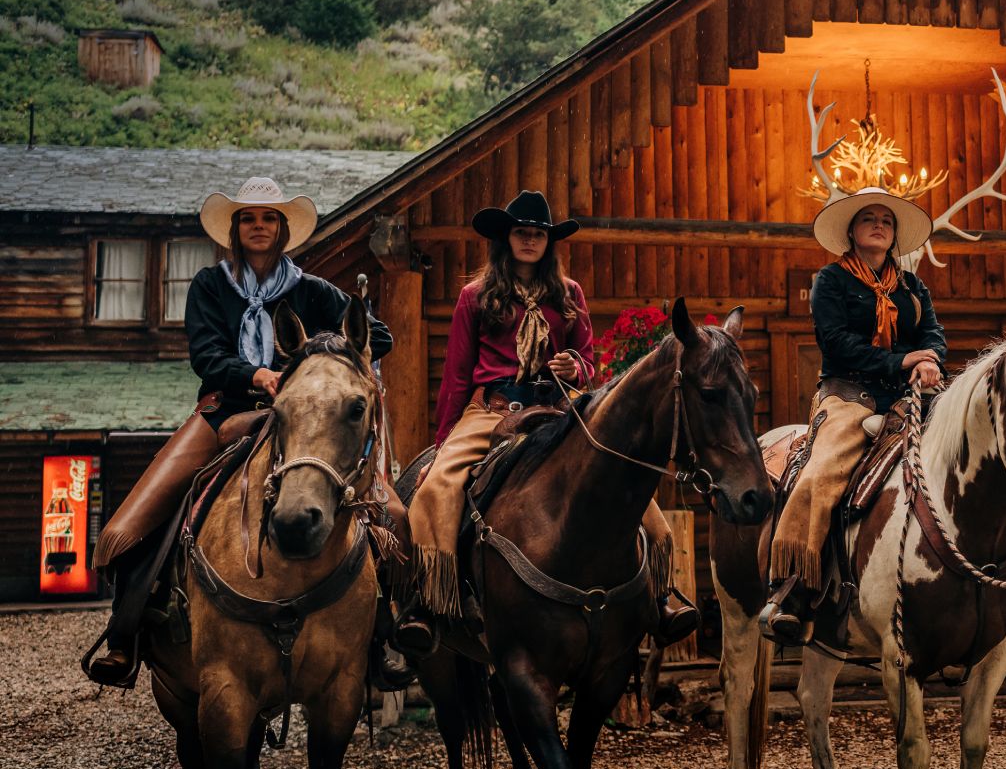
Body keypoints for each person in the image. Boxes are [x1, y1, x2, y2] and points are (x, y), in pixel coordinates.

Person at [84, 177, 394, 687]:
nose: (258, 226)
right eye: (249, 218)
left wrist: (311, 364)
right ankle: (126, 636)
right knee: (131, 523)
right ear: (235, 229)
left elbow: (376, 335)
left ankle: (385, 636)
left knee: (388, 512)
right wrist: (259, 374)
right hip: (222, 413)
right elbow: (205, 355)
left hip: (298, 417)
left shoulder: (309, 288)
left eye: (268, 218)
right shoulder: (210, 285)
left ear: (282, 229)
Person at [405, 189, 698, 647]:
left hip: (559, 407)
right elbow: (457, 377)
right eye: (521, 233)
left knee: (629, 484)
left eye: (537, 234)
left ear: (548, 242)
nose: (529, 241)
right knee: (436, 487)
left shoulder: (569, 294)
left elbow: (589, 362)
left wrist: (572, 367)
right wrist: (443, 443)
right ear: (506, 239)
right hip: (494, 410)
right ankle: (430, 602)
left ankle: (660, 593)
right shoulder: (474, 296)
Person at [758, 189, 947, 645]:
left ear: (895, 234)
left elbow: (933, 334)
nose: (879, 225)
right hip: (848, 396)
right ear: (852, 232)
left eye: (886, 219)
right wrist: (902, 361)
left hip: (909, 397)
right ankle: (793, 588)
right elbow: (836, 342)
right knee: (821, 474)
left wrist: (931, 361)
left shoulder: (911, 287)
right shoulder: (831, 280)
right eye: (869, 219)